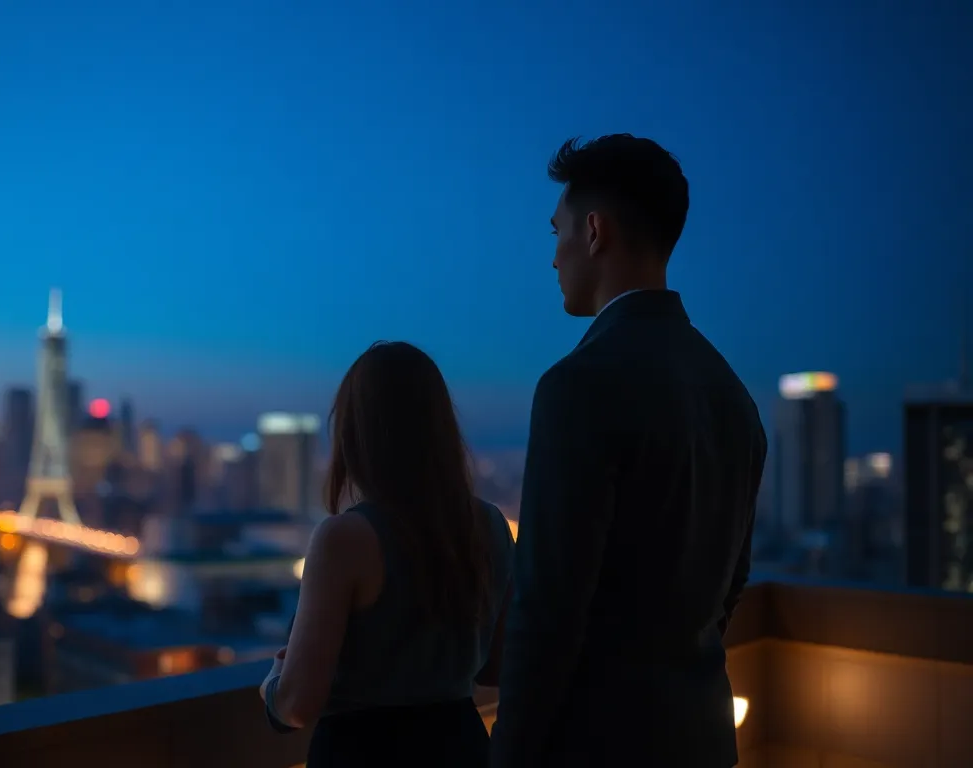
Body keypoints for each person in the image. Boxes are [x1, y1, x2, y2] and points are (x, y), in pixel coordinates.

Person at [490, 135, 767, 767]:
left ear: (594, 231)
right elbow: (730, 585)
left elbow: (547, 610)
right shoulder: (733, 397)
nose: (553, 258)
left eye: (557, 231)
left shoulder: (577, 387)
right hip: (700, 737)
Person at [259, 340, 515, 767]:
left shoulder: (344, 539)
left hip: (363, 752)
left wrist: (272, 684)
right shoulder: (490, 525)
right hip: (461, 748)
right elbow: (495, 668)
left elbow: (297, 705)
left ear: (354, 434)